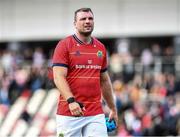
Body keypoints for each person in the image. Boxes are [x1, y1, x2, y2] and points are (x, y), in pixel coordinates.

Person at [52, 7, 118, 137]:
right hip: (69, 113)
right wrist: (71, 101)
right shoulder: (64, 45)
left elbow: (104, 80)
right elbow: (58, 77)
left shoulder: (100, 47)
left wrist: (113, 108)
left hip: (95, 113)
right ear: (75, 24)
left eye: (90, 18)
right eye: (83, 19)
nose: (87, 21)